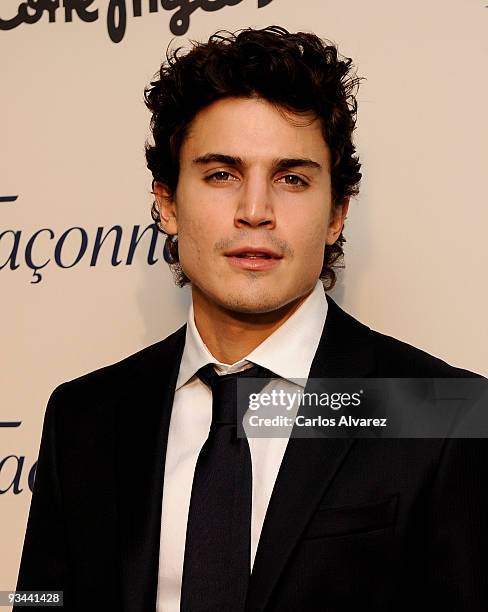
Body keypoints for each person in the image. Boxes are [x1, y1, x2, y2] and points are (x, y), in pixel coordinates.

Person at [15, 26, 487, 612]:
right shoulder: (82, 417)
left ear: (337, 213)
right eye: (221, 174)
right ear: (167, 204)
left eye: (292, 179)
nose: (255, 211)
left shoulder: (442, 414)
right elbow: (40, 601)